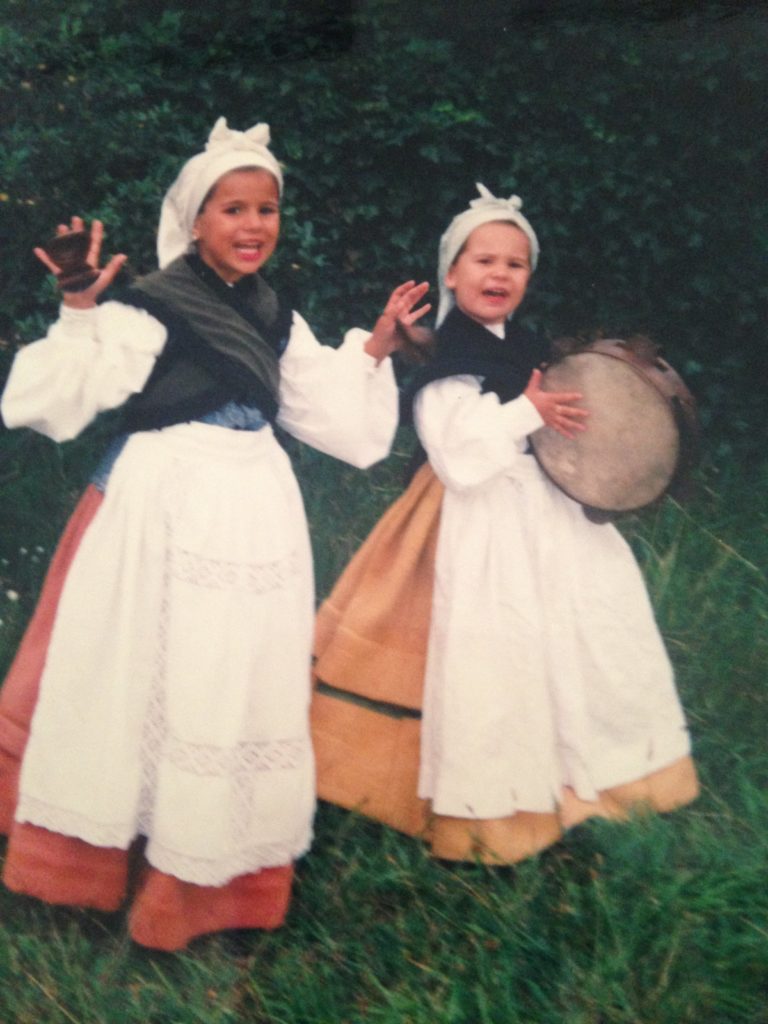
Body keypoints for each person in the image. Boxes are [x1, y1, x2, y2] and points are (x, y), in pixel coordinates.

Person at [0, 117, 429, 949]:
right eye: (232, 208)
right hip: (162, 504)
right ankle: (84, 868)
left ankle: (205, 878)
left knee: (228, 680)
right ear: (194, 221)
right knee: (143, 673)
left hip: (252, 510)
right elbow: (52, 398)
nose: (252, 225)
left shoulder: (274, 313)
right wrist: (83, 307)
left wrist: (375, 348)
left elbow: (329, 418)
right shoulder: (156, 303)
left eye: (265, 209)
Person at [312, 184, 699, 864]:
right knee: (495, 657)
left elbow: (548, 412)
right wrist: (526, 412)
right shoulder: (449, 365)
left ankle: (590, 786)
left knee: (584, 638)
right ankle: (496, 815)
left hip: (548, 515)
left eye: (514, 264)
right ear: (452, 274)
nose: (498, 274)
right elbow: (460, 458)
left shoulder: (522, 345)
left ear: (528, 278)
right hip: (478, 521)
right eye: (482, 260)